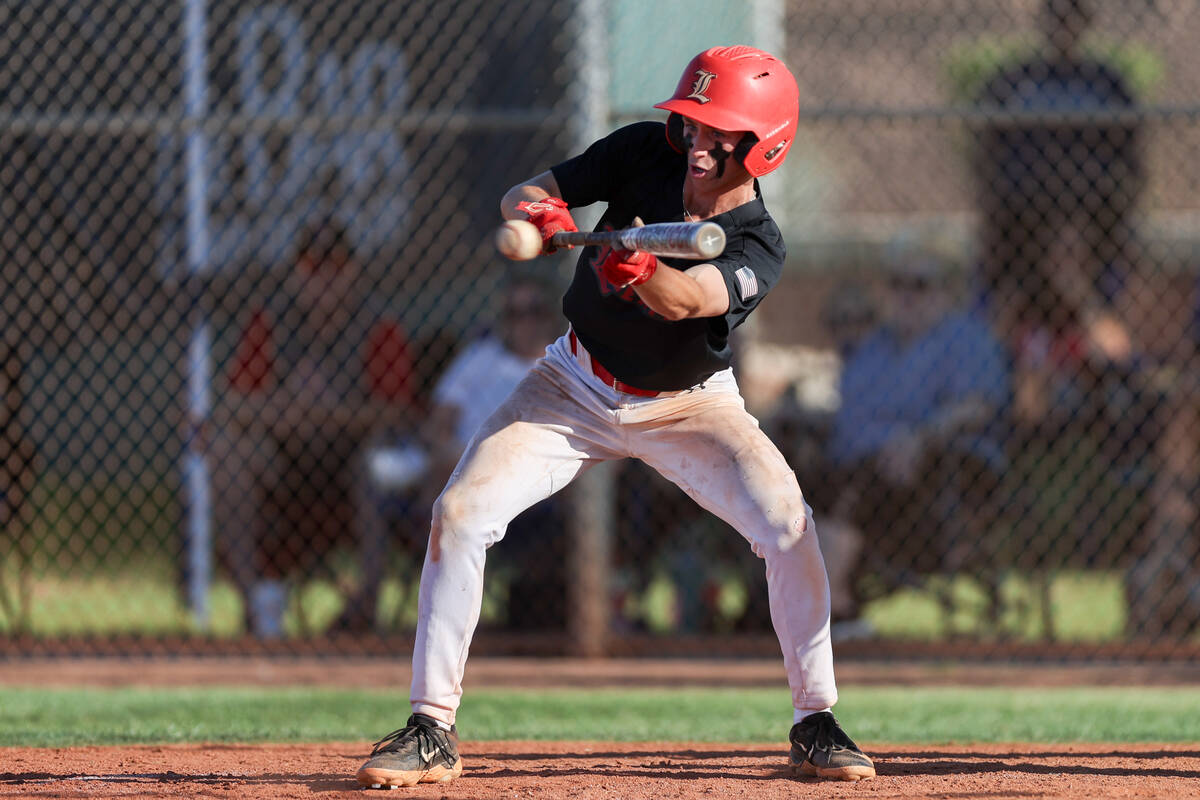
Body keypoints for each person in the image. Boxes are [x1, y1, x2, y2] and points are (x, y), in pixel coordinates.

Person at [355, 46, 875, 788]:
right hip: (571, 384)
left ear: (767, 143)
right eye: (694, 121)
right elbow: (527, 193)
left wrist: (642, 271)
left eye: (719, 130)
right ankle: (430, 727)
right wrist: (539, 209)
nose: (697, 139)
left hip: (689, 406)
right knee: (460, 513)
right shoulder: (644, 150)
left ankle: (816, 720)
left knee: (788, 523)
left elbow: (690, 301)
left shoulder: (761, 241)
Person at [211, 222, 415, 637]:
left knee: (376, 459)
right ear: (296, 272)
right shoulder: (270, 322)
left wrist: (331, 412)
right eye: (311, 267)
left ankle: (364, 606)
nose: (323, 279)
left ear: (352, 271)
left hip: (349, 459)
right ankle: (258, 606)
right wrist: (289, 408)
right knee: (229, 452)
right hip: (286, 460)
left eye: (334, 267)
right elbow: (233, 402)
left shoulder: (378, 325)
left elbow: (399, 411)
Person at [818, 242, 1011, 628]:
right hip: (861, 464)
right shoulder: (875, 346)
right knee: (785, 481)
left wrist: (922, 437)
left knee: (859, 483)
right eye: (897, 284)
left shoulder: (966, 338)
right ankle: (779, 609)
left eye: (920, 285)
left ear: (948, 292)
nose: (906, 295)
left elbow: (978, 405)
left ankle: (830, 609)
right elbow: (846, 416)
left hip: (944, 468)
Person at [423, 274, 566, 630]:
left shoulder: (565, 363)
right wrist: (461, 457)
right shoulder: (480, 359)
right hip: (471, 472)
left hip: (546, 483)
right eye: (514, 314)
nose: (525, 322)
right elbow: (437, 426)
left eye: (533, 311)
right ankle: (446, 623)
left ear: (549, 316)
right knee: (440, 478)